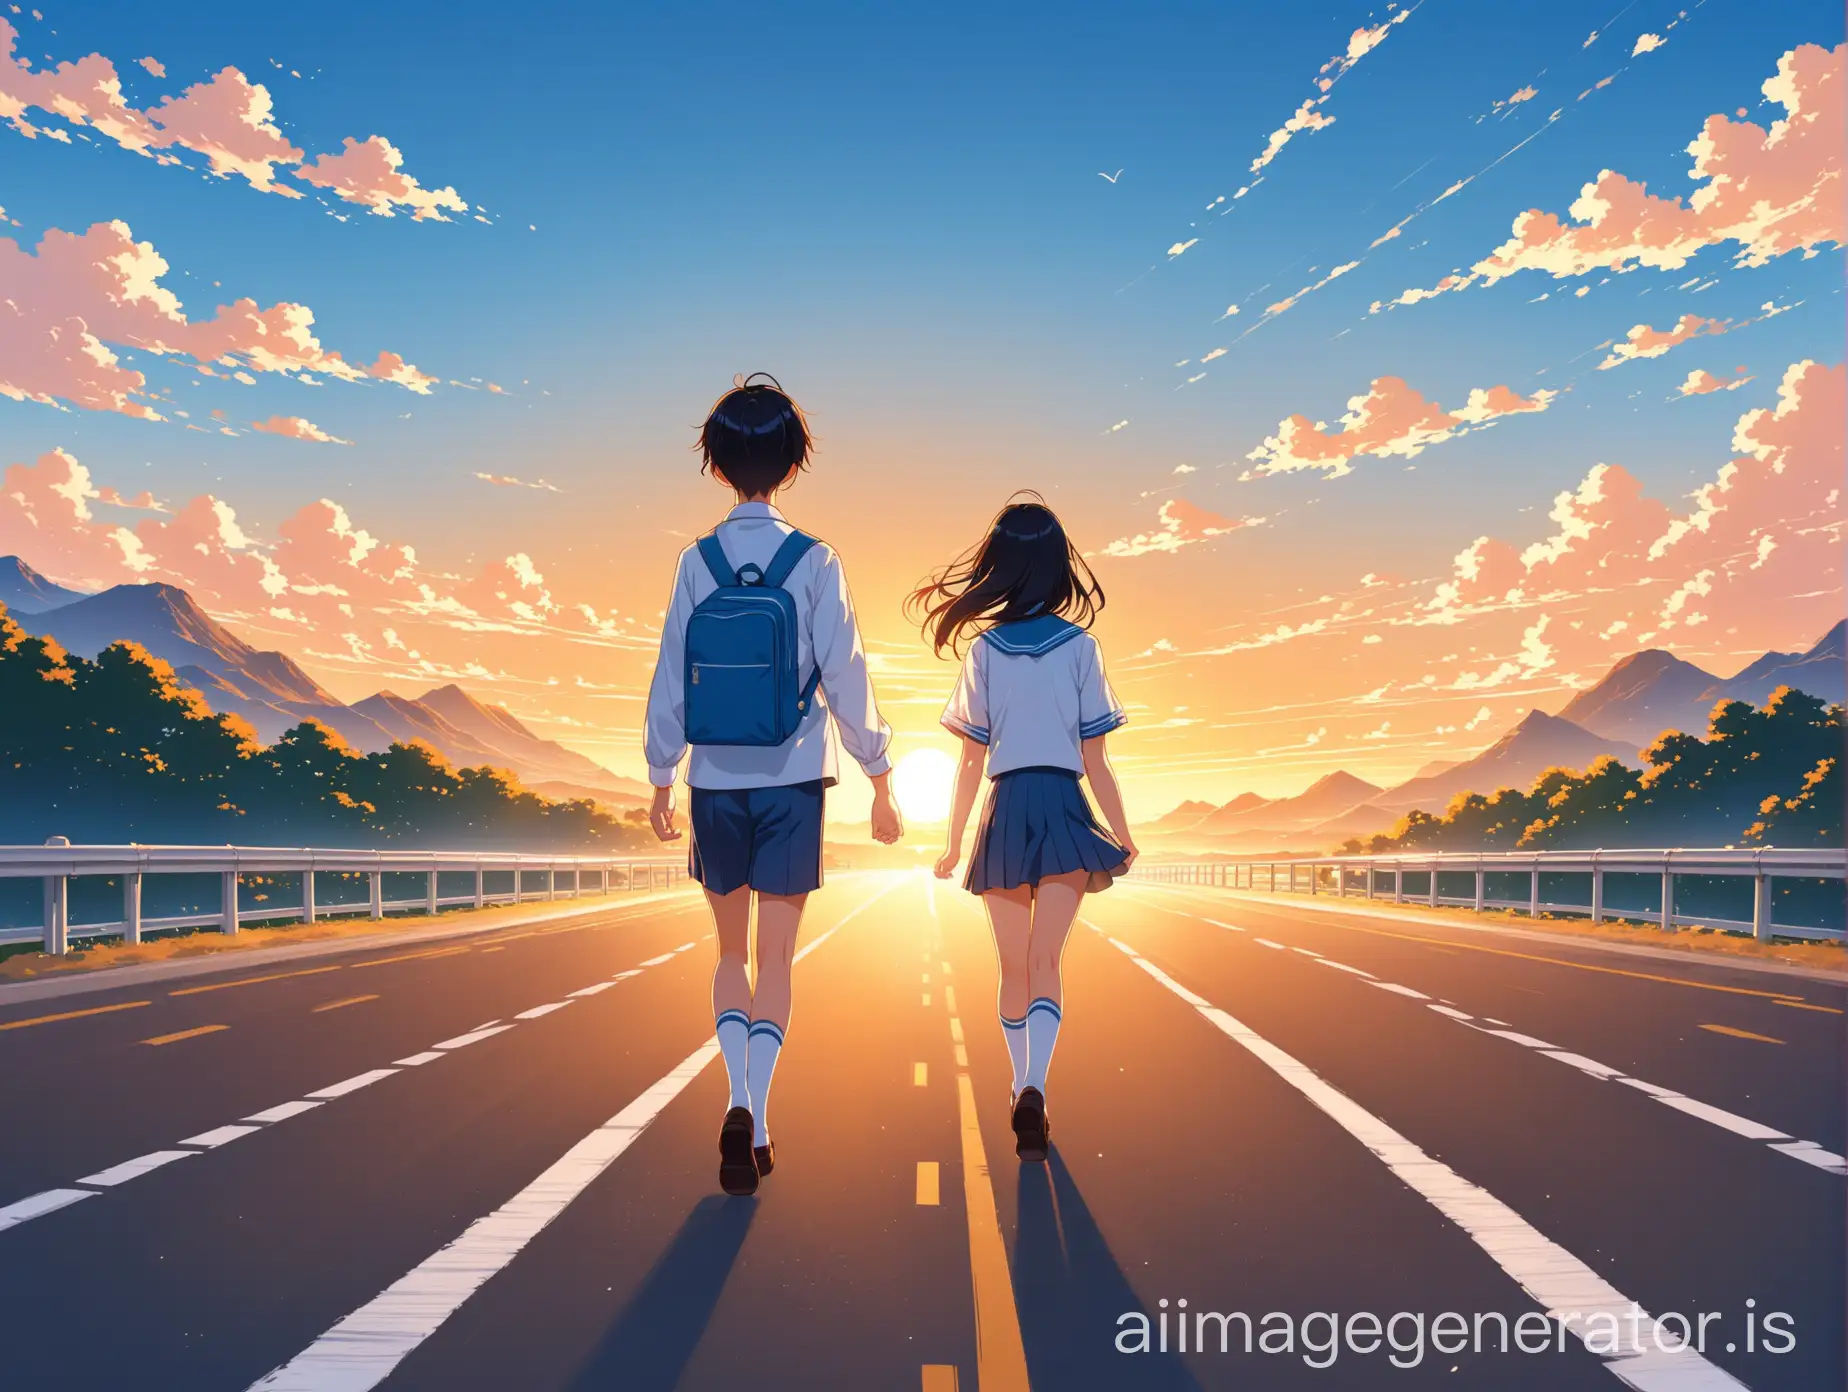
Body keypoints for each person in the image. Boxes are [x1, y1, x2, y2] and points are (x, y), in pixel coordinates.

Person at [645, 373, 902, 1197]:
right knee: (778, 957)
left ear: (718, 463)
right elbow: (846, 674)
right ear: (791, 463)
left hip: (715, 779)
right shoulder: (815, 560)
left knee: (727, 953)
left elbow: (671, 679)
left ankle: (734, 1095)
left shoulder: (696, 561)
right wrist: (880, 775)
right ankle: (755, 1114)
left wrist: (661, 776)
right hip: (794, 779)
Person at [910, 494, 1137, 1162]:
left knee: (1012, 965)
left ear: (999, 567)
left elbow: (969, 760)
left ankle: (1018, 1083)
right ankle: (1037, 1084)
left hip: (1006, 808)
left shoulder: (984, 651)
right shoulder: (1082, 649)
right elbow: (1098, 756)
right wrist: (1123, 831)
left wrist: (952, 841)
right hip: (1063, 806)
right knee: (1047, 961)